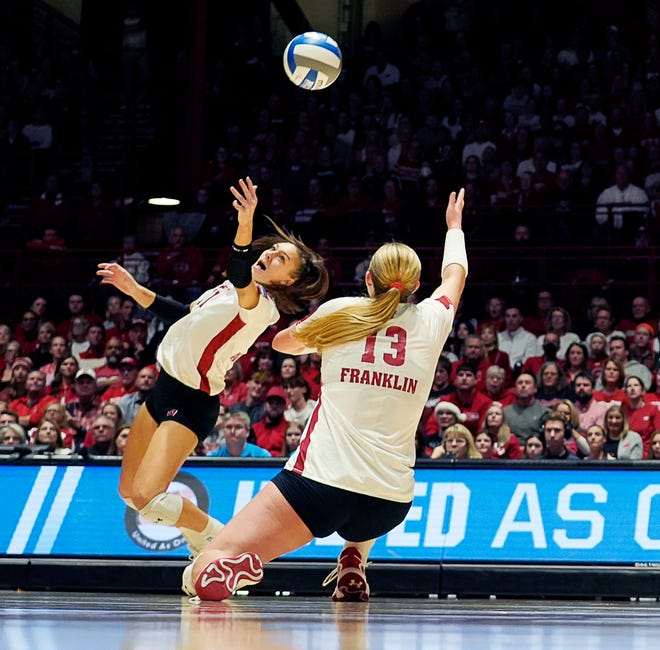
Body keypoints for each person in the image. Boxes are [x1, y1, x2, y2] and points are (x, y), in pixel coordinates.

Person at [184, 187, 467, 601]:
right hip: (388, 503)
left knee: (202, 570)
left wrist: (314, 337)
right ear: (416, 285)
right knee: (363, 510)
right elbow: (455, 275)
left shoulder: (340, 312)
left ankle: (240, 565)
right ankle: (355, 557)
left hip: (319, 487)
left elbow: (281, 343)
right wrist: (454, 227)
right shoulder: (433, 318)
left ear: (367, 279)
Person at [95, 177, 328, 560]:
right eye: (274, 251)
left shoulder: (260, 304)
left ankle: (214, 534)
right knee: (131, 494)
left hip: (192, 402)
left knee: (150, 495)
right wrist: (135, 289)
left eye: (280, 259)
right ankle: (203, 535)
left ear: (287, 280)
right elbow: (185, 317)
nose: (268, 255)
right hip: (165, 387)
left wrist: (245, 220)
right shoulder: (229, 290)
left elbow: (239, 268)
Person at [504, 372, 550, 444]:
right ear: (515, 389)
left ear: (535, 389)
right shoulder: (505, 412)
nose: (523, 385)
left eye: (527, 383)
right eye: (520, 383)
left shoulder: (545, 413)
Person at [206, 411, 271, 458]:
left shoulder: (262, 456)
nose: (232, 431)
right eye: (229, 427)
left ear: (247, 432)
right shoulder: (212, 458)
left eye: (238, 427)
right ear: (223, 431)